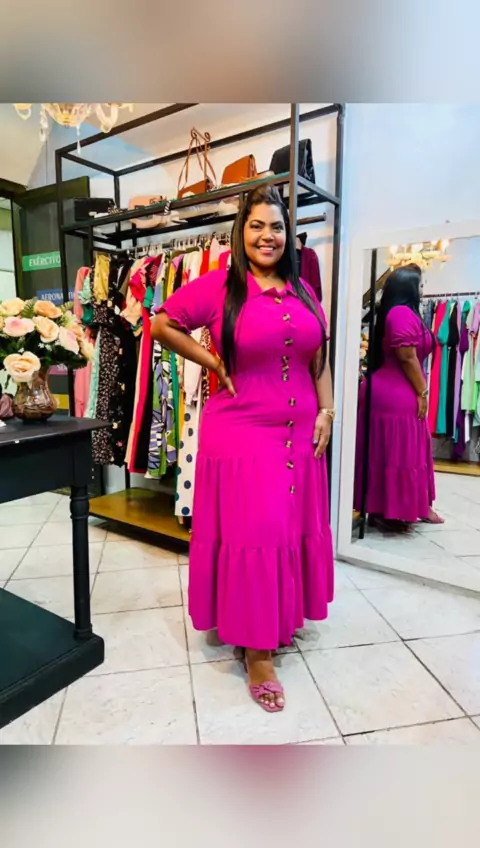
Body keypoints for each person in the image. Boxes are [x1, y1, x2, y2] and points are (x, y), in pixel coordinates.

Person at [151, 185, 335, 712]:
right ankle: (257, 652)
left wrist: (326, 411)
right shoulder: (220, 286)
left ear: (288, 235)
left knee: (289, 529)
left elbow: (317, 356)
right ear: (241, 232)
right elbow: (161, 323)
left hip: (300, 434)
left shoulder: (304, 291)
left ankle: (277, 617)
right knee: (258, 533)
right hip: (242, 432)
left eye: (276, 226)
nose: (267, 236)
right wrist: (211, 361)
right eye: (256, 225)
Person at [354, 263, 444, 530]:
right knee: (400, 453)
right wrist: (422, 391)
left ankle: (413, 505)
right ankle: (392, 509)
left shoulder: (402, 312)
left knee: (407, 451)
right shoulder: (401, 313)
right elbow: (407, 356)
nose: (423, 289)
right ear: (409, 286)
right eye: (420, 284)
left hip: (397, 390)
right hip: (394, 393)